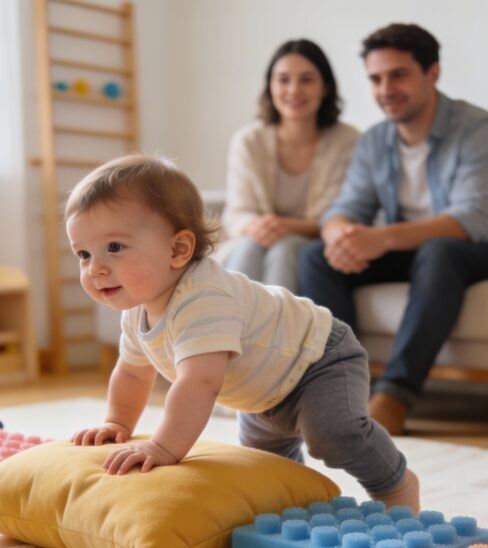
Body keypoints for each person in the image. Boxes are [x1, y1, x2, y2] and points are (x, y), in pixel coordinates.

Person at [66, 154, 420, 510]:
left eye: (114, 248)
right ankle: (298, 504)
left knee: (332, 436)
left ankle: (394, 482)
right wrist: (116, 422)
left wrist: (163, 446)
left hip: (317, 358)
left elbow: (200, 383)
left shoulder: (203, 298)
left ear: (177, 250)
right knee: (267, 472)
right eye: (83, 254)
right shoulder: (136, 308)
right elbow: (131, 372)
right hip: (260, 390)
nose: (95, 269)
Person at [297, 23, 488, 436]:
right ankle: (340, 391)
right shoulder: (374, 142)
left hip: (486, 251)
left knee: (439, 250)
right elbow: (345, 208)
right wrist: (340, 235)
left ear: (432, 73)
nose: (385, 88)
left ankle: (394, 396)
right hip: (416, 251)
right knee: (315, 256)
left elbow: (472, 220)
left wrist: (380, 238)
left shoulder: (478, 128)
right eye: (376, 78)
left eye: (398, 75)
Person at [221, 39, 360, 292]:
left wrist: (286, 227)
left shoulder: (348, 141)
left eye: (306, 80)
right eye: (283, 80)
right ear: (270, 86)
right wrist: (258, 226)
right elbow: (238, 212)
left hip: (311, 243)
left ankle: (279, 330)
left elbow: (340, 214)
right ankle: (223, 326)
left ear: (325, 87)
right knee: (249, 246)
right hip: (256, 240)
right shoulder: (249, 140)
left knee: (285, 248)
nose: (294, 90)